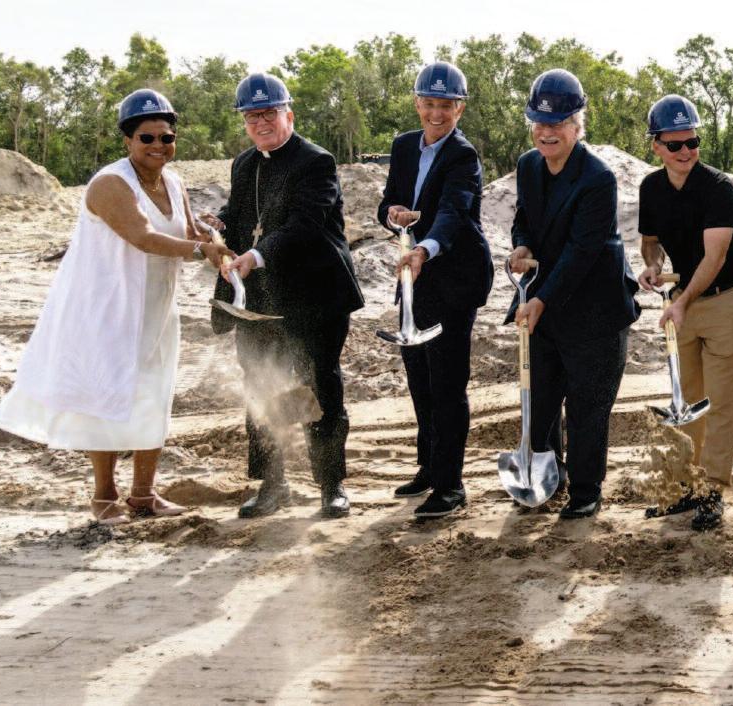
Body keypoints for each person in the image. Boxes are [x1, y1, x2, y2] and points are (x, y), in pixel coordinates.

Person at [0, 89, 234, 525]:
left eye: (167, 137)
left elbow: (190, 231)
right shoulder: (109, 184)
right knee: (105, 397)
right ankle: (104, 496)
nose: (158, 145)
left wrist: (217, 247)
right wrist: (202, 251)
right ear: (127, 140)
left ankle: (144, 494)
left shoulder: (173, 181)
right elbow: (142, 237)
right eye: (147, 138)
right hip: (107, 308)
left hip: (156, 306)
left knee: (154, 394)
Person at [203, 73, 364, 519]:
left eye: (269, 113)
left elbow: (304, 225)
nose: (261, 123)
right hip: (260, 302)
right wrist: (219, 224)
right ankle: (273, 485)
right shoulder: (244, 163)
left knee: (318, 386)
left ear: (287, 114)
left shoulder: (316, 161)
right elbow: (243, 213)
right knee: (260, 387)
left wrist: (256, 255)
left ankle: (331, 484)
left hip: (315, 297)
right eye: (252, 116)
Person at [506, 69, 639, 520]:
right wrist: (522, 245)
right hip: (546, 302)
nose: (547, 132)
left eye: (558, 123)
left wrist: (540, 300)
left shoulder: (598, 178)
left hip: (595, 309)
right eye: (540, 123)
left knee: (587, 405)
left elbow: (582, 252)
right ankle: (548, 478)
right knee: (540, 398)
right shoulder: (528, 166)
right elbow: (524, 219)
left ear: (577, 126)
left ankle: (585, 491)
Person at [635, 94, 733, 532]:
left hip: (727, 296)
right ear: (657, 146)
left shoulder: (718, 188)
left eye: (692, 142)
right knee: (686, 399)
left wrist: (682, 302)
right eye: (675, 145)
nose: (686, 151)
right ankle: (684, 487)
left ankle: (712, 491)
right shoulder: (651, 188)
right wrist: (653, 266)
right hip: (683, 298)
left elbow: (716, 256)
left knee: (721, 400)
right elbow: (650, 241)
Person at [376, 61, 492, 519]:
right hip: (414, 279)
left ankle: (450, 486)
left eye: (446, 105)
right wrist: (393, 216)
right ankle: (429, 467)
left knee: (446, 384)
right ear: (417, 103)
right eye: (429, 104)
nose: (437, 113)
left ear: (460, 108)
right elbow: (389, 202)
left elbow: (453, 212)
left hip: (454, 279)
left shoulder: (464, 156)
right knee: (420, 382)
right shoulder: (404, 146)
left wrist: (424, 248)